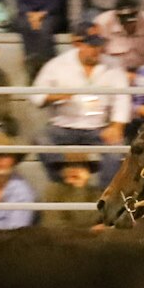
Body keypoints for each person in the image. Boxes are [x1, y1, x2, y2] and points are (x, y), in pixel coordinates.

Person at [34, 28, 133, 181]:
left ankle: (105, 192)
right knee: (41, 139)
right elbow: (36, 96)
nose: (96, 50)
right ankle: (64, 178)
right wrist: (57, 95)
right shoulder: (57, 65)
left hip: (98, 128)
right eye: (91, 46)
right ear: (79, 44)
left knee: (116, 151)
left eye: (98, 46)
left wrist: (116, 126)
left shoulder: (113, 66)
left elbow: (122, 98)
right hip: (63, 126)